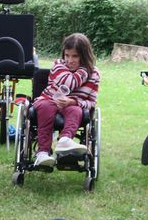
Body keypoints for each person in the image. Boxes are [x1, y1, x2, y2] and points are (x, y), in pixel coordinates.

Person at [32, 33, 100, 167]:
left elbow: (91, 102)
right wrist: (85, 71)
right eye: (67, 55)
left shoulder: (94, 75)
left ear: (84, 56)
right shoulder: (58, 65)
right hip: (48, 99)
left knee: (75, 110)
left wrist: (74, 102)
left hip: (71, 105)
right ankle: (42, 154)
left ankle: (65, 140)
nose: (69, 60)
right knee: (47, 107)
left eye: (75, 56)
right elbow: (70, 82)